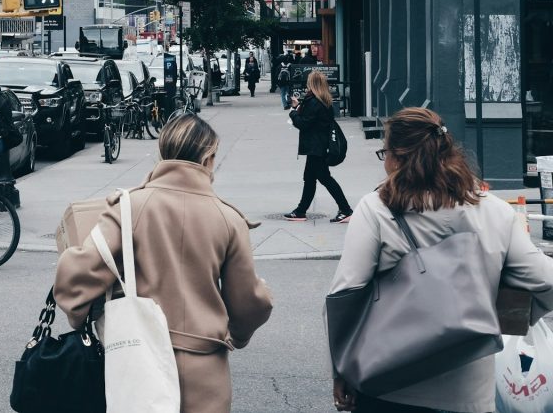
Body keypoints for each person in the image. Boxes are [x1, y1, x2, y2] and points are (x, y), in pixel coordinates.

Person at [331, 107, 553, 413]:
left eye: (385, 153)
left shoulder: (376, 210)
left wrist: (342, 369)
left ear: (397, 156)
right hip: (469, 393)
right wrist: (497, 315)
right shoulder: (495, 211)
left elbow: (346, 294)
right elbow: (545, 281)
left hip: (388, 386)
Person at [54, 115, 274, 413]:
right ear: (208, 158)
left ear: (163, 153)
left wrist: (82, 315)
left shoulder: (129, 208)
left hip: (139, 363)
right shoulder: (230, 219)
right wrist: (238, 335)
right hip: (205, 371)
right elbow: (249, 303)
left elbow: (75, 278)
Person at [284, 70, 353, 223]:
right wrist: (299, 106)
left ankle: (346, 209)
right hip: (318, 146)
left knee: (324, 178)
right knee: (310, 178)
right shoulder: (322, 100)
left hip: (317, 148)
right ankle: (301, 211)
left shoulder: (314, 102)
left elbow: (304, 124)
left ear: (312, 84)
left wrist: (293, 112)